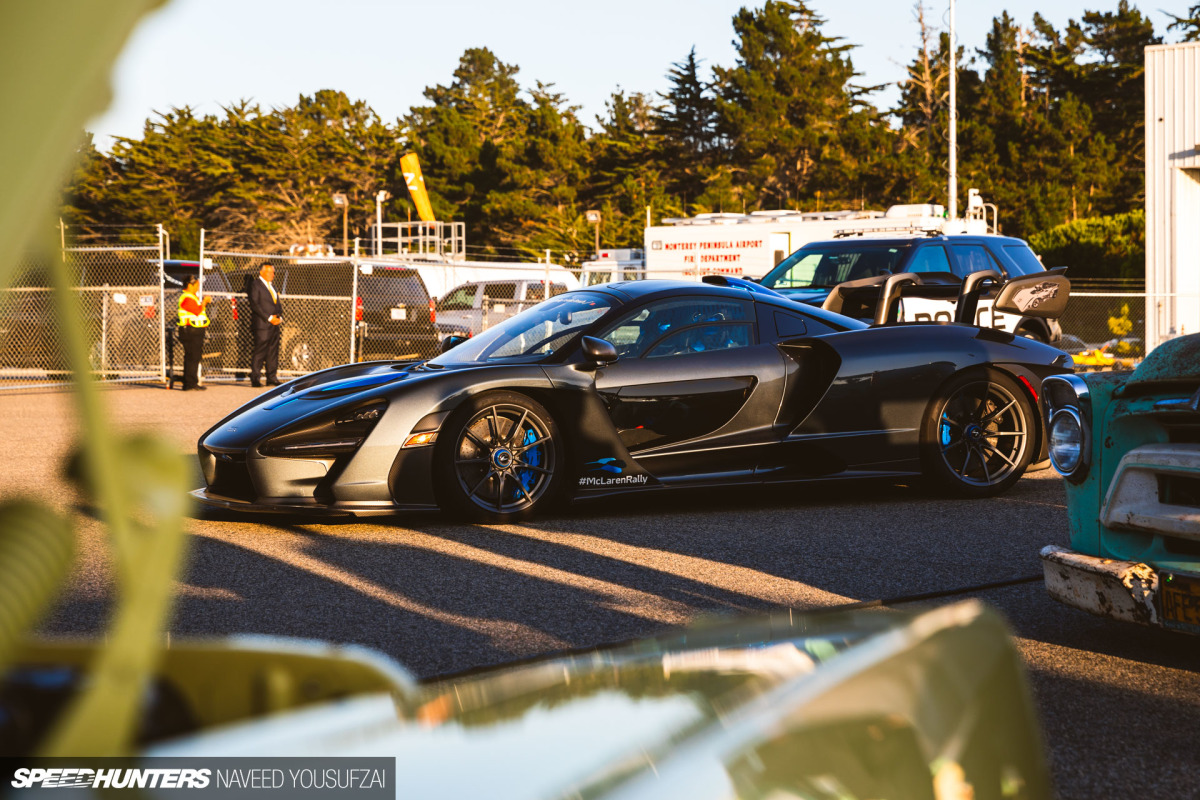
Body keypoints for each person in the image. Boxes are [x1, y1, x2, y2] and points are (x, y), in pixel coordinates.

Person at [249, 262, 283, 387]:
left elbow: (277, 304)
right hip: (262, 324)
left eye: (273, 272)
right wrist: (268, 318)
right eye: (270, 272)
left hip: (274, 324)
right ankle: (255, 378)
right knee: (260, 351)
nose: (272, 274)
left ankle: (271, 377)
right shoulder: (255, 285)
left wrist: (279, 317)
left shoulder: (272, 286)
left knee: (273, 351)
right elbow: (255, 304)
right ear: (261, 272)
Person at [176, 274, 211, 391]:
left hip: (195, 330)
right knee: (192, 357)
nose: (198, 287)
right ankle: (189, 383)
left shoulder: (192, 296)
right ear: (189, 285)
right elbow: (196, 311)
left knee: (193, 357)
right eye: (196, 284)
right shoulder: (186, 297)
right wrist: (204, 302)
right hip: (190, 330)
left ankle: (190, 382)